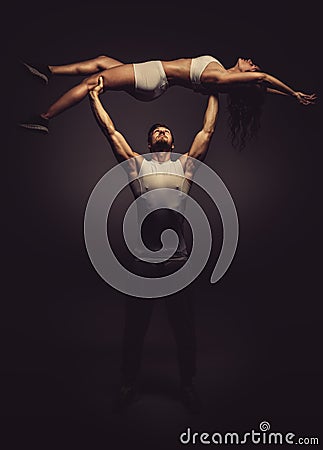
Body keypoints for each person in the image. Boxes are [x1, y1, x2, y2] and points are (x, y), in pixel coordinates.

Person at [88, 76, 219, 413]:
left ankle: (187, 385)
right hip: (144, 263)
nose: (162, 134)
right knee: (135, 328)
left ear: (172, 140)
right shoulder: (137, 166)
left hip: (178, 262)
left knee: (184, 329)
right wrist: (94, 99)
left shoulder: (185, 166)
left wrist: (214, 91)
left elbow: (207, 131)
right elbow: (111, 132)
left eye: (165, 131)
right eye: (156, 132)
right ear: (149, 143)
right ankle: (128, 384)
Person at [19, 54, 316, 148]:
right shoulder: (224, 75)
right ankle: (47, 71)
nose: (251, 62)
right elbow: (260, 89)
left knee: (90, 84)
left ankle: (43, 118)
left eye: (253, 66)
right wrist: (289, 97)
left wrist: (293, 93)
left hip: (153, 75)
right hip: (154, 78)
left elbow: (262, 81)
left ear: (250, 74)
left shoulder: (222, 80)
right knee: (101, 62)